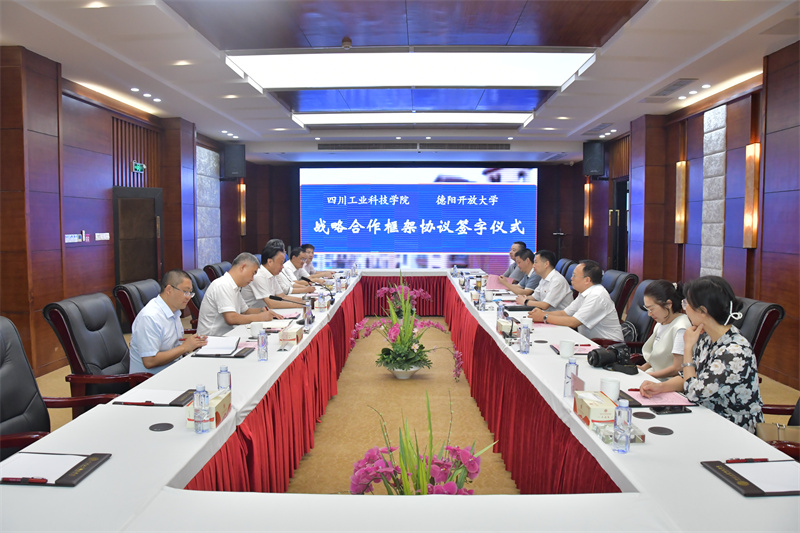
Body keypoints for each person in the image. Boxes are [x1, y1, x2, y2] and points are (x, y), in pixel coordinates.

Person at [640, 276, 763, 433]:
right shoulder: (707, 337)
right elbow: (687, 376)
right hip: (705, 415)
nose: (685, 309)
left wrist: (687, 348)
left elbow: (694, 392)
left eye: (687, 304)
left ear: (703, 311)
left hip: (732, 426)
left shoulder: (734, 352)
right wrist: (660, 387)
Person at [129, 270, 208, 374]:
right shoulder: (150, 317)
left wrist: (193, 343)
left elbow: (174, 345)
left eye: (190, 293)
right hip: (152, 378)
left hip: (173, 368)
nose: (189, 297)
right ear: (169, 290)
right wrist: (184, 347)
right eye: (185, 291)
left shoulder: (174, 311)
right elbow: (149, 361)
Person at [529, 260, 623, 342]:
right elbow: (565, 313)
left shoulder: (597, 296)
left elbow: (573, 322)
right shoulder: (584, 293)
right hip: (589, 342)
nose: (571, 278)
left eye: (574, 275)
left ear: (587, 280)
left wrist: (544, 317)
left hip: (608, 347)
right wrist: (541, 313)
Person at [197, 252, 283, 336]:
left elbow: (245, 311)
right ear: (243, 267)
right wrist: (260, 317)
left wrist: (262, 310)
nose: (252, 279)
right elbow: (231, 318)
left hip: (227, 335)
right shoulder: (223, 285)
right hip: (211, 340)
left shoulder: (235, 286)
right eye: (253, 273)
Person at [637, 280, 692, 379]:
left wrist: (648, 375)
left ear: (668, 304)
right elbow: (657, 359)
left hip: (668, 380)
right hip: (654, 374)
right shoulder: (661, 323)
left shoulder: (681, 328)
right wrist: (643, 368)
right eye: (647, 309)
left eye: (651, 309)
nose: (649, 314)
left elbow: (677, 368)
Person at [241, 244, 305, 309]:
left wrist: (304, 300)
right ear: (270, 262)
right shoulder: (258, 276)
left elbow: (282, 296)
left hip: (267, 311)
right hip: (255, 313)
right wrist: (301, 305)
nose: (283, 267)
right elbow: (271, 304)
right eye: (281, 263)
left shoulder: (272, 275)